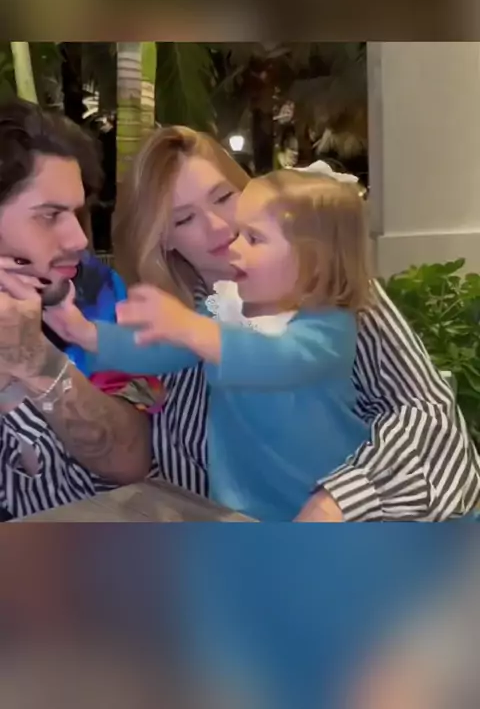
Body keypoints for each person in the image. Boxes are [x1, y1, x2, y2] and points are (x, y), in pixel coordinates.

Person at [109, 125, 480, 521]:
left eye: (224, 197)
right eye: (184, 219)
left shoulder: (325, 286)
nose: (218, 226)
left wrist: (340, 499)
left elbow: (426, 413)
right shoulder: (175, 323)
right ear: (162, 239)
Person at [48, 170, 376, 521]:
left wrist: (192, 328)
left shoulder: (328, 327)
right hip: (239, 505)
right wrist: (90, 335)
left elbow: (277, 360)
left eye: (253, 238)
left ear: (313, 262)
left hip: (318, 509)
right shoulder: (226, 307)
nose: (233, 246)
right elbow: (161, 350)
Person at [0, 99, 155, 520]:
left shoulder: (94, 291)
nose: (78, 240)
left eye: (76, 212)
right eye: (49, 216)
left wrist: (35, 361)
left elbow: (129, 460)